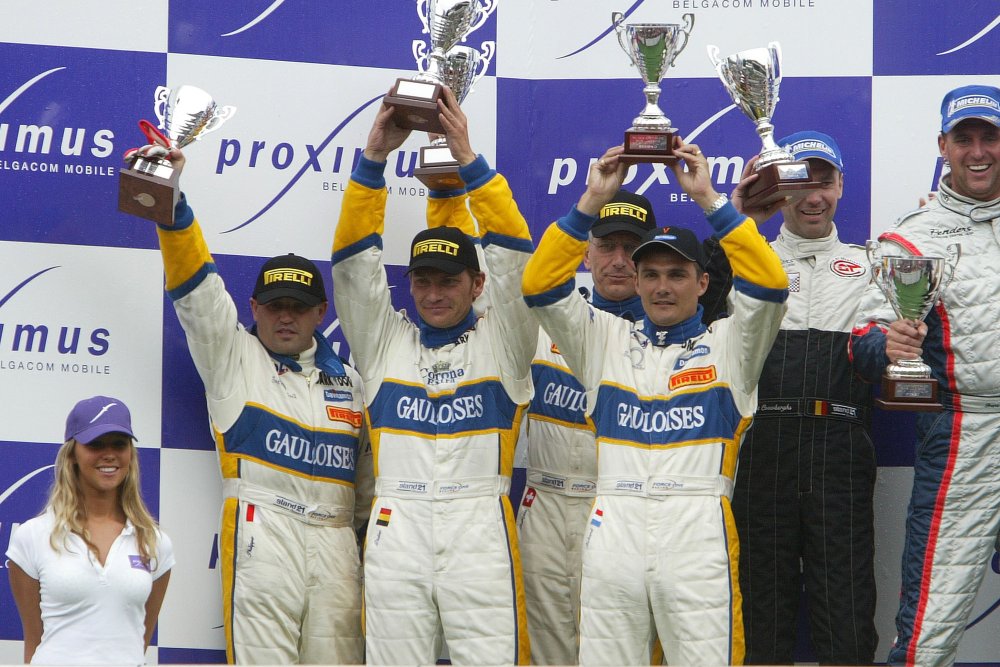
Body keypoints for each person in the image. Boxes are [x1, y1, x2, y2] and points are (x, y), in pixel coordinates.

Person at [522, 142, 788, 666]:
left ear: (703, 282)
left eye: (677, 274)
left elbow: (771, 286)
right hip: (613, 530)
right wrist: (591, 201)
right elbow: (539, 284)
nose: (662, 287)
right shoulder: (603, 340)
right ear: (638, 281)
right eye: (651, 275)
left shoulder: (732, 344)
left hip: (696, 534)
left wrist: (710, 200)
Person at [126, 141, 371, 664]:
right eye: (276, 306)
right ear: (254, 307)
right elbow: (198, 294)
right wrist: (172, 207)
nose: (286, 317)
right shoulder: (232, 358)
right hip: (265, 535)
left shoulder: (353, 382)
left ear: (321, 313)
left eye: (299, 308)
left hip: (337, 544)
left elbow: (369, 487)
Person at [330, 86, 535, 665]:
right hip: (397, 530)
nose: (434, 293)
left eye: (449, 280)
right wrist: (375, 157)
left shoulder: (505, 339)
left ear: (477, 284)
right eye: (423, 281)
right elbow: (353, 266)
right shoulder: (384, 343)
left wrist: (468, 161)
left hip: (480, 533)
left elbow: (514, 258)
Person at [851, 84, 1000, 667]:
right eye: (965, 139)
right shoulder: (913, 236)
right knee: (928, 632)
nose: (978, 151)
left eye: (990, 137)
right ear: (943, 146)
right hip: (964, 433)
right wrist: (886, 345)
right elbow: (862, 340)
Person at [725, 131, 878, 664]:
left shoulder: (874, 264)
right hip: (762, 446)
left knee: (847, 606)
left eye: (825, 181)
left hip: (841, 447)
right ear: (778, 189)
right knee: (760, 606)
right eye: (801, 182)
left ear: (841, 186)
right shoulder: (748, 259)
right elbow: (697, 307)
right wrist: (738, 220)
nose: (814, 196)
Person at [516, 188, 655, 665]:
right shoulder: (543, 323)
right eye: (606, 246)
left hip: (624, 509)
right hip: (546, 504)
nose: (618, 261)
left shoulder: (668, 339)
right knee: (547, 651)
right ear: (586, 253)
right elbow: (533, 279)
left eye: (631, 249)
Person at [7, 395, 174, 665]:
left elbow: (137, 641)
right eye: (95, 444)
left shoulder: (155, 541)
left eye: (119, 444)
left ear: (130, 454)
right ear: (72, 454)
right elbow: (34, 643)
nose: (109, 454)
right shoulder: (32, 536)